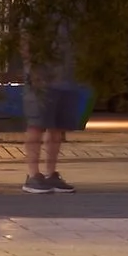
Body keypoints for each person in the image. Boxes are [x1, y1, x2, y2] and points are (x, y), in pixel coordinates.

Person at [23, 45, 79, 192]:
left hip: (63, 78)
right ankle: (33, 174)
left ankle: (51, 174)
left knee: (57, 126)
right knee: (36, 124)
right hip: (40, 79)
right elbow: (26, 40)